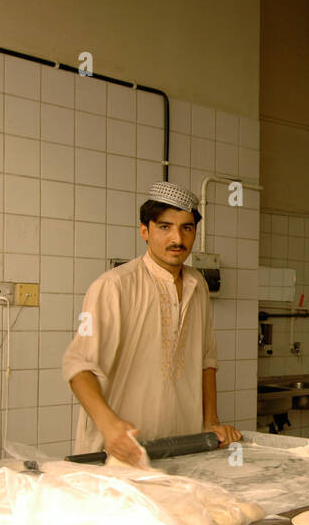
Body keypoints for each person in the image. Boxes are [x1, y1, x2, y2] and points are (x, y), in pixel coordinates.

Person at [63, 182, 242, 465]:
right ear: (144, 230)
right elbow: (78, 365)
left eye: (186, 228)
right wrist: (110, 426)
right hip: (119, 452)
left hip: (184, 446)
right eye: (164, 227)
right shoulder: (114, 286)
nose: (177, 239)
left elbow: (208, 360)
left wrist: (211, 421)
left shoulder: (198, 286)